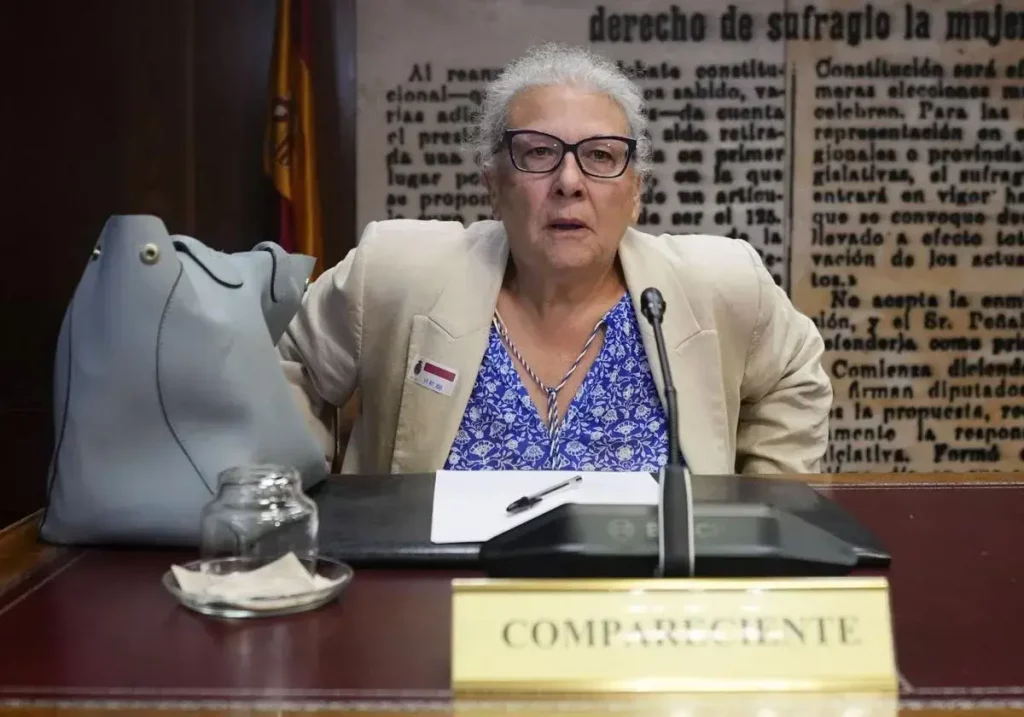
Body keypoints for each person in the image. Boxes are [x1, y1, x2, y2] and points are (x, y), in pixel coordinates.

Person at [278, 43, 832, 477]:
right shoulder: (397, 270)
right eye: (540, 152)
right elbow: (289, 370)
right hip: (441, 604)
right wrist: (298, 506)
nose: (569, 182)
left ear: (635, 192)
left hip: (647, 609)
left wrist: (763, 512)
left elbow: (794, 373)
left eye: (599, 156)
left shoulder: (718, 282)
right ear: (493, 184)